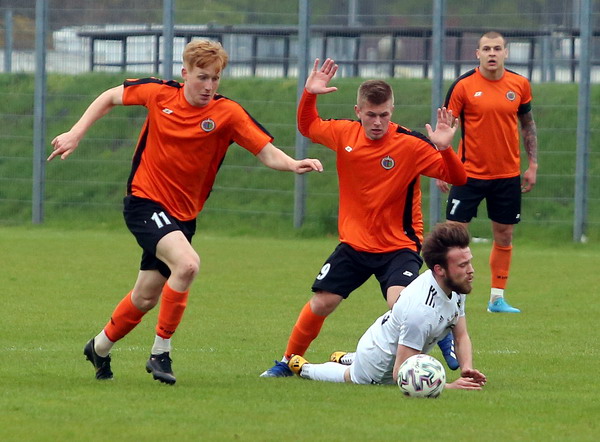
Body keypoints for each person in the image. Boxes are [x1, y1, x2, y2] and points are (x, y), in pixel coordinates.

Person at [48, 40, 323, 385]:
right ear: (185, 74)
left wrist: (293, 163)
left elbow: (266, 152)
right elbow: (109, 97)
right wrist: (76, 133)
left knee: (145, 296)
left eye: (215, 78)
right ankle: (160, 352)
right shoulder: (159, 94)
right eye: (202, 77)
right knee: (188, 264)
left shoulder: (228, 113)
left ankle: (99, 347)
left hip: (182, 217)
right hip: (145, 202)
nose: (208, 86)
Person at [260, 58, 468, 377]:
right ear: (358, 112)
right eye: (371, 115)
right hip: (354, 245)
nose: (377, 122)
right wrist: (309, 93)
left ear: (392, 111)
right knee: (322, 302)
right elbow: (307, 126)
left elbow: (457, 178)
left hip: (398, 246)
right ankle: (288, 362)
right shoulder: (344, 134)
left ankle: (440, 336)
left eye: (384, 115)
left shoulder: (411, 144)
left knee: (401, 305)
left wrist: (444, 149)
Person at [287, 222, 486, 390]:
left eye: (469, 262)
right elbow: (401, 373)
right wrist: (450, 386)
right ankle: (304, 368)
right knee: (351, 377)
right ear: (439, 270)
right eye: (462, 265)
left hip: (383, 339)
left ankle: (347, 357)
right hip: (377, 364)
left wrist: (466, 370)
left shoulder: (455, 285)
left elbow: (461, 336)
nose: (471, 270)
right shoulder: (420, 312)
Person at [436, 31, 538, 314]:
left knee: (504, 234)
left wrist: (532, 165)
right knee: (454, 236)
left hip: (507, 175)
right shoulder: (463, 86)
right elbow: (445, 128)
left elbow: (528, 125)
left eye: (497, 48)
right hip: (467, 174)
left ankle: (497, 298)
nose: (492, 53)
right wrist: (442, 167)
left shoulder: (520, 84)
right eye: (486, 49)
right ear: (477, 54)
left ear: (506, 53)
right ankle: (449, 297)